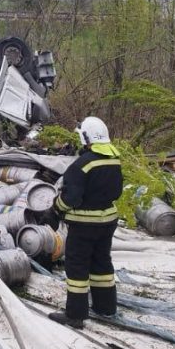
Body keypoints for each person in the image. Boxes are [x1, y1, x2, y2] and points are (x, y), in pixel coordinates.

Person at [48, 116, 123, 329]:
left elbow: (71, 198)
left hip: (83, 225)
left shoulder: (82, 165)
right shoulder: (113, 160)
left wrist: (56, 208)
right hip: (108, 222)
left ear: (86, 138)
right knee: (102, 263)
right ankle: (105, 307)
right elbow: (116, 191)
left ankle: (75, 315)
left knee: (77, 267)